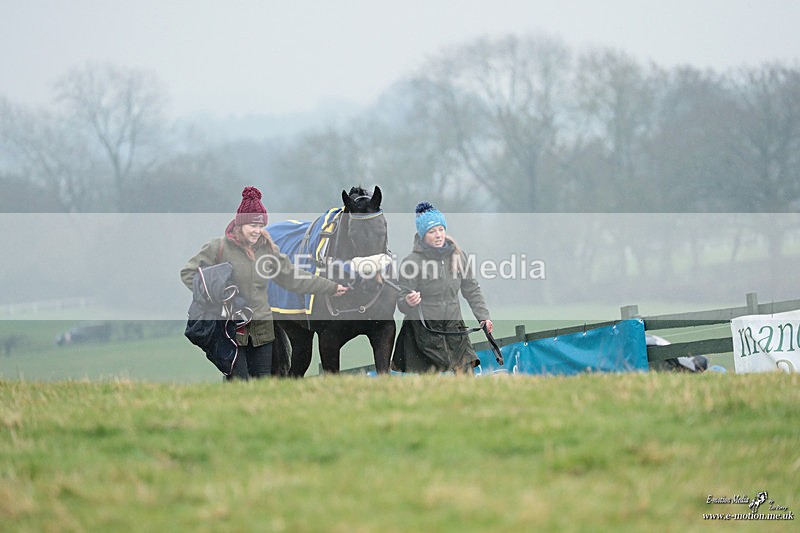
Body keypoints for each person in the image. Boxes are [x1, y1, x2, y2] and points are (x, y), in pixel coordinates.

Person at [181, 186, 347, 379]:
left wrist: (331, 287)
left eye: (261, 226)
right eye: (253, 226)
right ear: (240, 224)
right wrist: (216, 296)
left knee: (263, 386)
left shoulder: (268, 250)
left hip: (262, 331)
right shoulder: (219, 247)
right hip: (231, 330)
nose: (257, 231)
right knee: (240, 383)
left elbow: (293, 277)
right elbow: (189, 273)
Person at [392, 202, 493, 374]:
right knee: (430, 383)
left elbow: (472, 289)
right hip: (424, 332)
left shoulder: (458, 256)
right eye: (432, 232)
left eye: (441, 229)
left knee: (466, 374)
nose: (438, 235)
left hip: (455, 327)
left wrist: (483, 317)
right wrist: (408, 301)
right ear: (423, 235)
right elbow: (401, 301)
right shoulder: (411, 262)